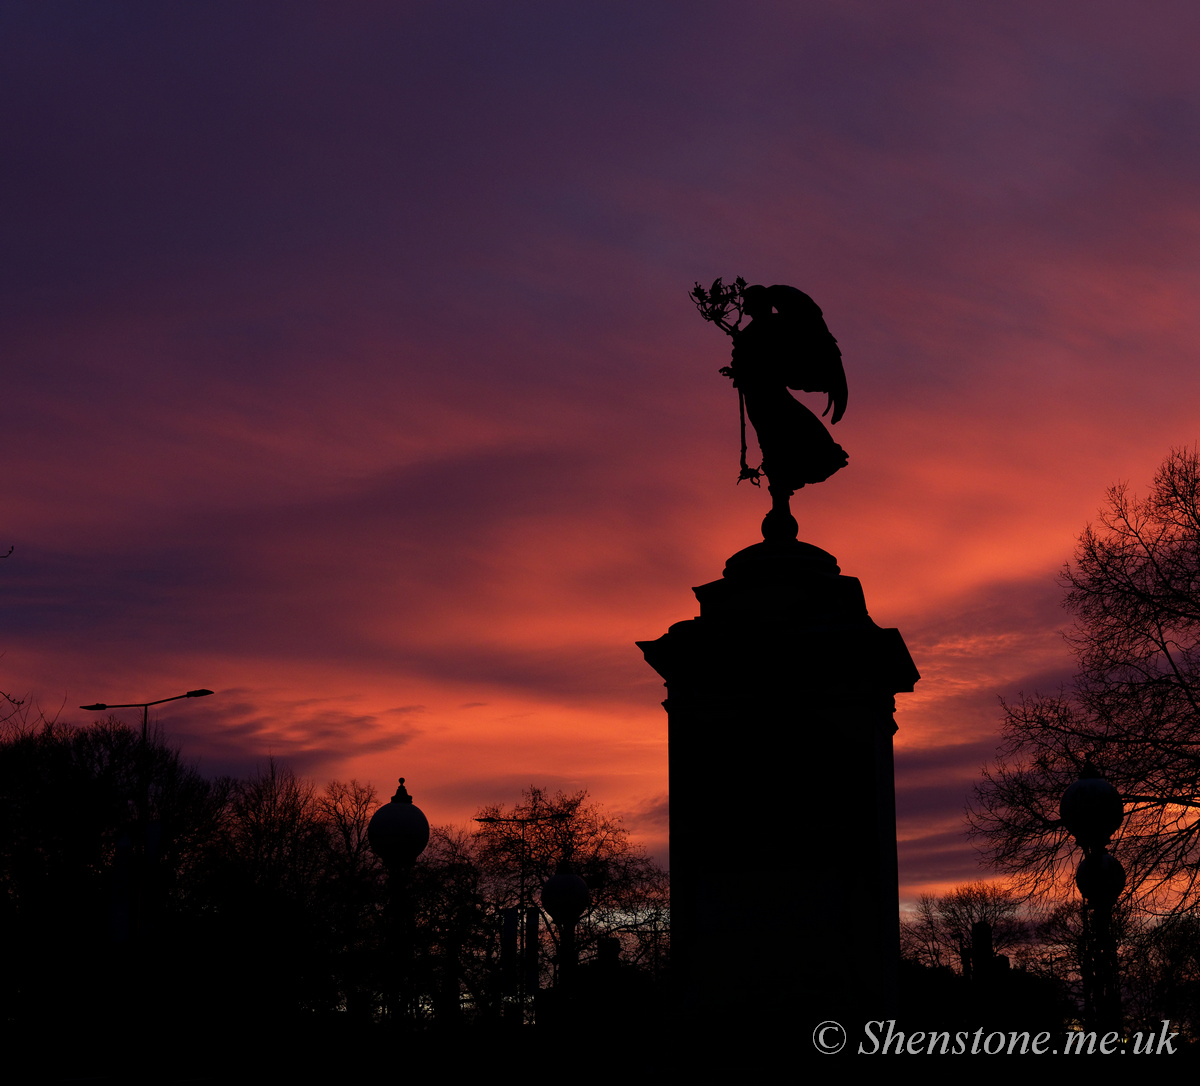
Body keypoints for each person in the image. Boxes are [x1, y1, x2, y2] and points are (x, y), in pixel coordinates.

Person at [727, 284, 849, 504]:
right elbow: (743, 362)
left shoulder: (779, 326)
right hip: (757, 396)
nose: (748, 309)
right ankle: (780, 483)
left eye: (750, 304)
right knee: (769, 439)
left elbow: (786, 357)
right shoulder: (749, 333)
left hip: (772, 394)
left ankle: (784, 481)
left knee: (792, 434)